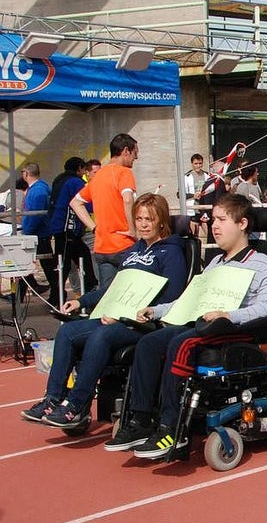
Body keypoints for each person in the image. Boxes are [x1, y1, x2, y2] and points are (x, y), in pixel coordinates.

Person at [104, 194, 267, 459]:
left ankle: (171, 428)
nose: (214, 226)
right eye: (213, 220)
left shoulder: (261, 262)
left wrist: (229, 314)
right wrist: (156, 311)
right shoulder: (215, 263)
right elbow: (189, 300)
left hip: (236, 329)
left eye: (221, 220)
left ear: (243, 223)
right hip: (202, 324)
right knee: (149, 342)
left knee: (182, 343)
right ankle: (140, 420)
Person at [24, 194, 188, 428]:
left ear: (161, 221)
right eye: (139, 218)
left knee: (101, 335)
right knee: (67, 331)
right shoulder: (132, 252)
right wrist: (82, 302)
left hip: (144, 322)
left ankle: (76, 404)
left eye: (149, 219)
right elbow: (112, 288)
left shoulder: (171, 253)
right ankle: (52, 399)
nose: (142, 224)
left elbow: (172, 296)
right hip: (116, 314)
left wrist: (130, 312)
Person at [70, 133, 138, 288]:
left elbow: (75, 203)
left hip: (102, 246)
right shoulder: (124, 172)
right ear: (126, 151)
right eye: (135, 153)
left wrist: (94, 227)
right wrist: (133, 230)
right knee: (130, 292)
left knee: (107, 295)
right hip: (123, 244)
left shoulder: (99, 176)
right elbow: (128, 199)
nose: (136, 158)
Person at [48, 156, 97, 298]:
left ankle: (88, 287)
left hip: (59, 227)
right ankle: (57, 296)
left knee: (76, 258)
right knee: (65, 263)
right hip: (67, 228)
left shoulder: (59, 180)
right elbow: (86, 203)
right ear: (80, 168)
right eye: (83, 169)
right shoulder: (75, 182)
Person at [19, 162, 58, 305]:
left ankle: (57, 294)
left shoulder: (38, 191)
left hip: (38, 235)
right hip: (36, 233)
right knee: (26, 265)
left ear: (26, 174)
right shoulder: (39, 189)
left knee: (48, 266)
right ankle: (22, 293)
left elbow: (35, 215)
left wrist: (27, 231)